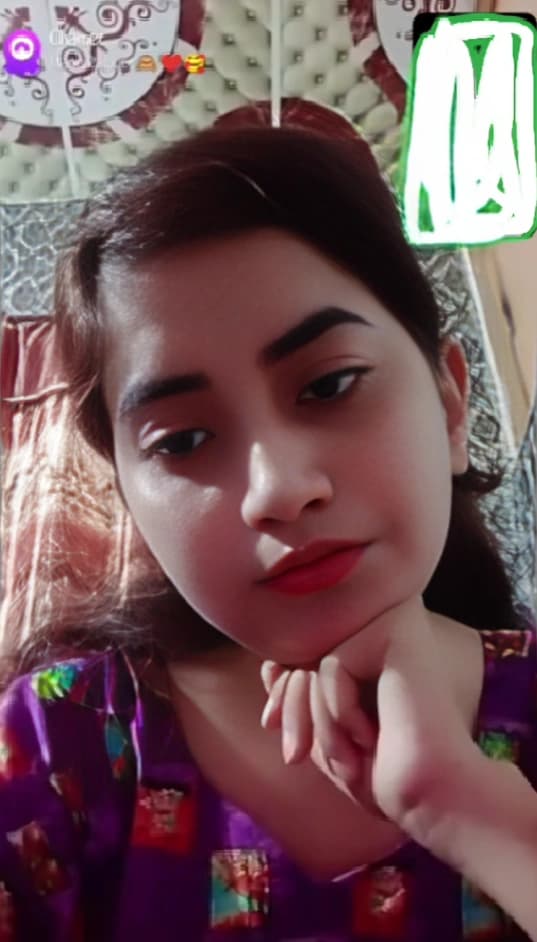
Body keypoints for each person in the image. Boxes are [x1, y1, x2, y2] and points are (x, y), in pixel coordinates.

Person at [0, 120, 536, 942]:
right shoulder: (59, 747)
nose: (278, 490)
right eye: (182, 440)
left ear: (448, 404)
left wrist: (475, 815)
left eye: (329, 386)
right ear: (130, 497)